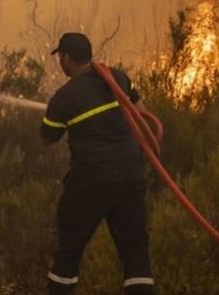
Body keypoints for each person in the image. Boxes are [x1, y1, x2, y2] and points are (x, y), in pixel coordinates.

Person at [41, 33, 155, 295]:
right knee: (135, 252)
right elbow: (143, 114)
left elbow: (47, 136)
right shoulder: (118, 78)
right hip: (130, 177)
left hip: (89, 182)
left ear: (66, 58)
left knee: (70, 248)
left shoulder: (64, 96)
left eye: (61, 57)